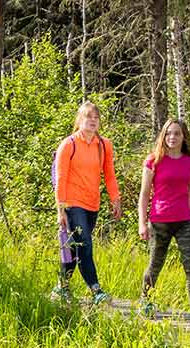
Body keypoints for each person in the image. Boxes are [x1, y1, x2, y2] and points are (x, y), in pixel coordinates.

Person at [53, 101, 122, 303]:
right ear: (79, 120)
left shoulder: (104, 145)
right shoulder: (69, 144)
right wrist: (61, 210)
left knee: (75, 248)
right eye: (88, 117)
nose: (92, 120)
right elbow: (61, 178)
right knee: (85, 245)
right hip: (72, 204)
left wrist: (115, 199)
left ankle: (62, 287)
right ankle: (96, 290)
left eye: (96, 117)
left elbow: (109, 175)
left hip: (92, 204)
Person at [136, 119, 190, 322]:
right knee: (155, 264)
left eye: (176, 134)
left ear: (184, 137)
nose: (172, 137)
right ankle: (146, 301)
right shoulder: (153, 160)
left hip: (185, 221)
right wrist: (142, 223)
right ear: (163, 136)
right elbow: (144, 194)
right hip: (159, 221)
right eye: (168, 134)